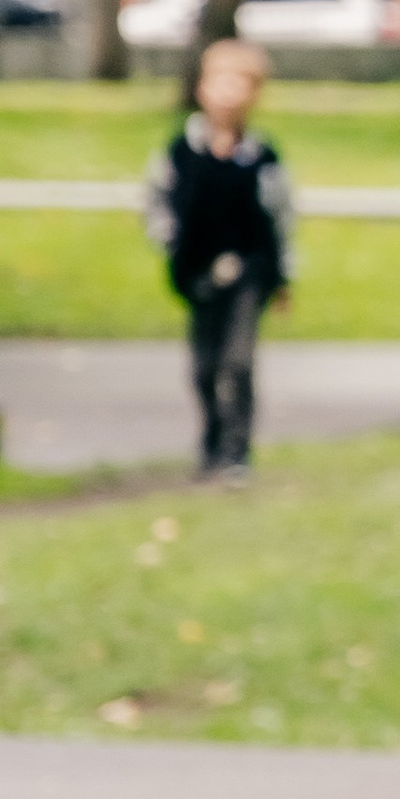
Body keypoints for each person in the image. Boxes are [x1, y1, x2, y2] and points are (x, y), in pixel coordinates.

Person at [144, 36, 296, 481]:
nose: (228, 92)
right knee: (204, 366)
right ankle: (211, 437)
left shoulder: (262, 157)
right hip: (197, 270)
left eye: (239, 83)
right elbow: (157, 201)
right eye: (220, 81)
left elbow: (282, 216)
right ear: (202, 88)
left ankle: (237, 449)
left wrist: (284, 275)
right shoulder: (182, 151)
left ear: (254, 93)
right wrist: (170, 242)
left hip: (250, 269)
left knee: (239, 362)